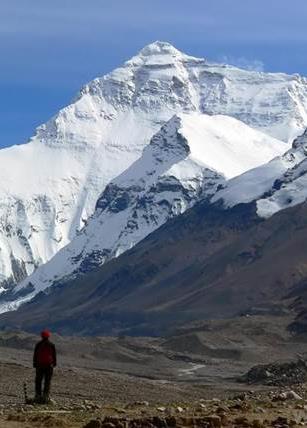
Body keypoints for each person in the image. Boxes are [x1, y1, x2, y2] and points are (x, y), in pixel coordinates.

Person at [33, 330, 57, 403]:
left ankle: (38, 395)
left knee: (38, 381)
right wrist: (54, 363)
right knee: (47, 381)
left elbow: (35, 355)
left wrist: (34, 363)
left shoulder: (38, 344)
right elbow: (54, 355)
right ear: (48, 336)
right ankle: (46, 396)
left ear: (41, 336)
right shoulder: (51, 344)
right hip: (49, 366)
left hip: (39, 365)